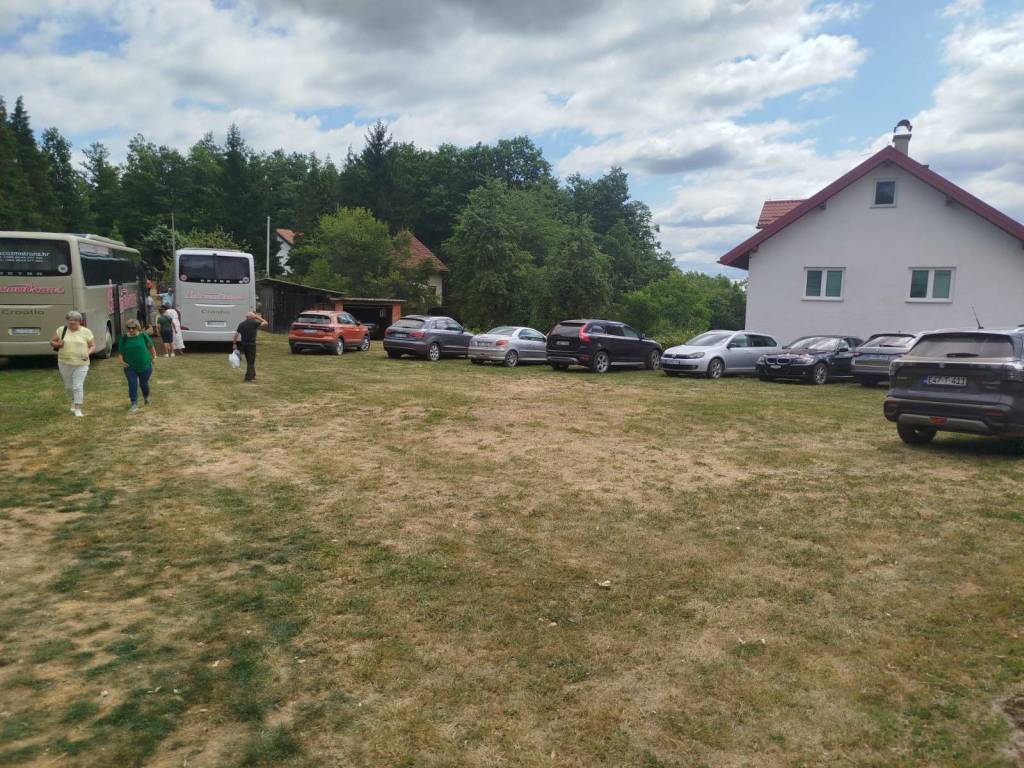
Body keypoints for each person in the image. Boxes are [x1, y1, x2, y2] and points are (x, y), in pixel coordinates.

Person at [50, 310, 95, 417]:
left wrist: (87, 353)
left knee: (77, 386)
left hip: (81, 364)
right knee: (68, 386)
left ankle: (78, 409)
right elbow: (52, 341)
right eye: (70, 320)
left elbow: (92, 345)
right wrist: (57, 344)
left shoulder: (86, 331)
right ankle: (73, 400)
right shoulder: (61, 330)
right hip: (64, 362)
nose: (72, 322)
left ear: (79, 321)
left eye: (75, 320)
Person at [118, 318, 157, 412]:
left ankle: (146, 397)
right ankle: (134, 404)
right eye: (129, 328)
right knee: (132, 384)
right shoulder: (124, 338)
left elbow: (151, 346)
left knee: (144, 383)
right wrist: (122, 362)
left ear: (137, 327)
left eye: (133, 328)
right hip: (129, 366)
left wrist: (154, 357)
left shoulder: (143, 335)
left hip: (145, 364)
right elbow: (120, 352)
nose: (131, 330)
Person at [232, 311, 268, 382]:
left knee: (249, 360)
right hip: (252, 345)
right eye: (254, 317)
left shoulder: (241, 324)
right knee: (251, 362)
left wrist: (234, 343)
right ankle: (248, 378)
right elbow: (266, 322)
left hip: (244, 345)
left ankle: (253, 375)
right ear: (252, 317)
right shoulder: (254, 323)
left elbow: (236, 335)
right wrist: (258, 317)